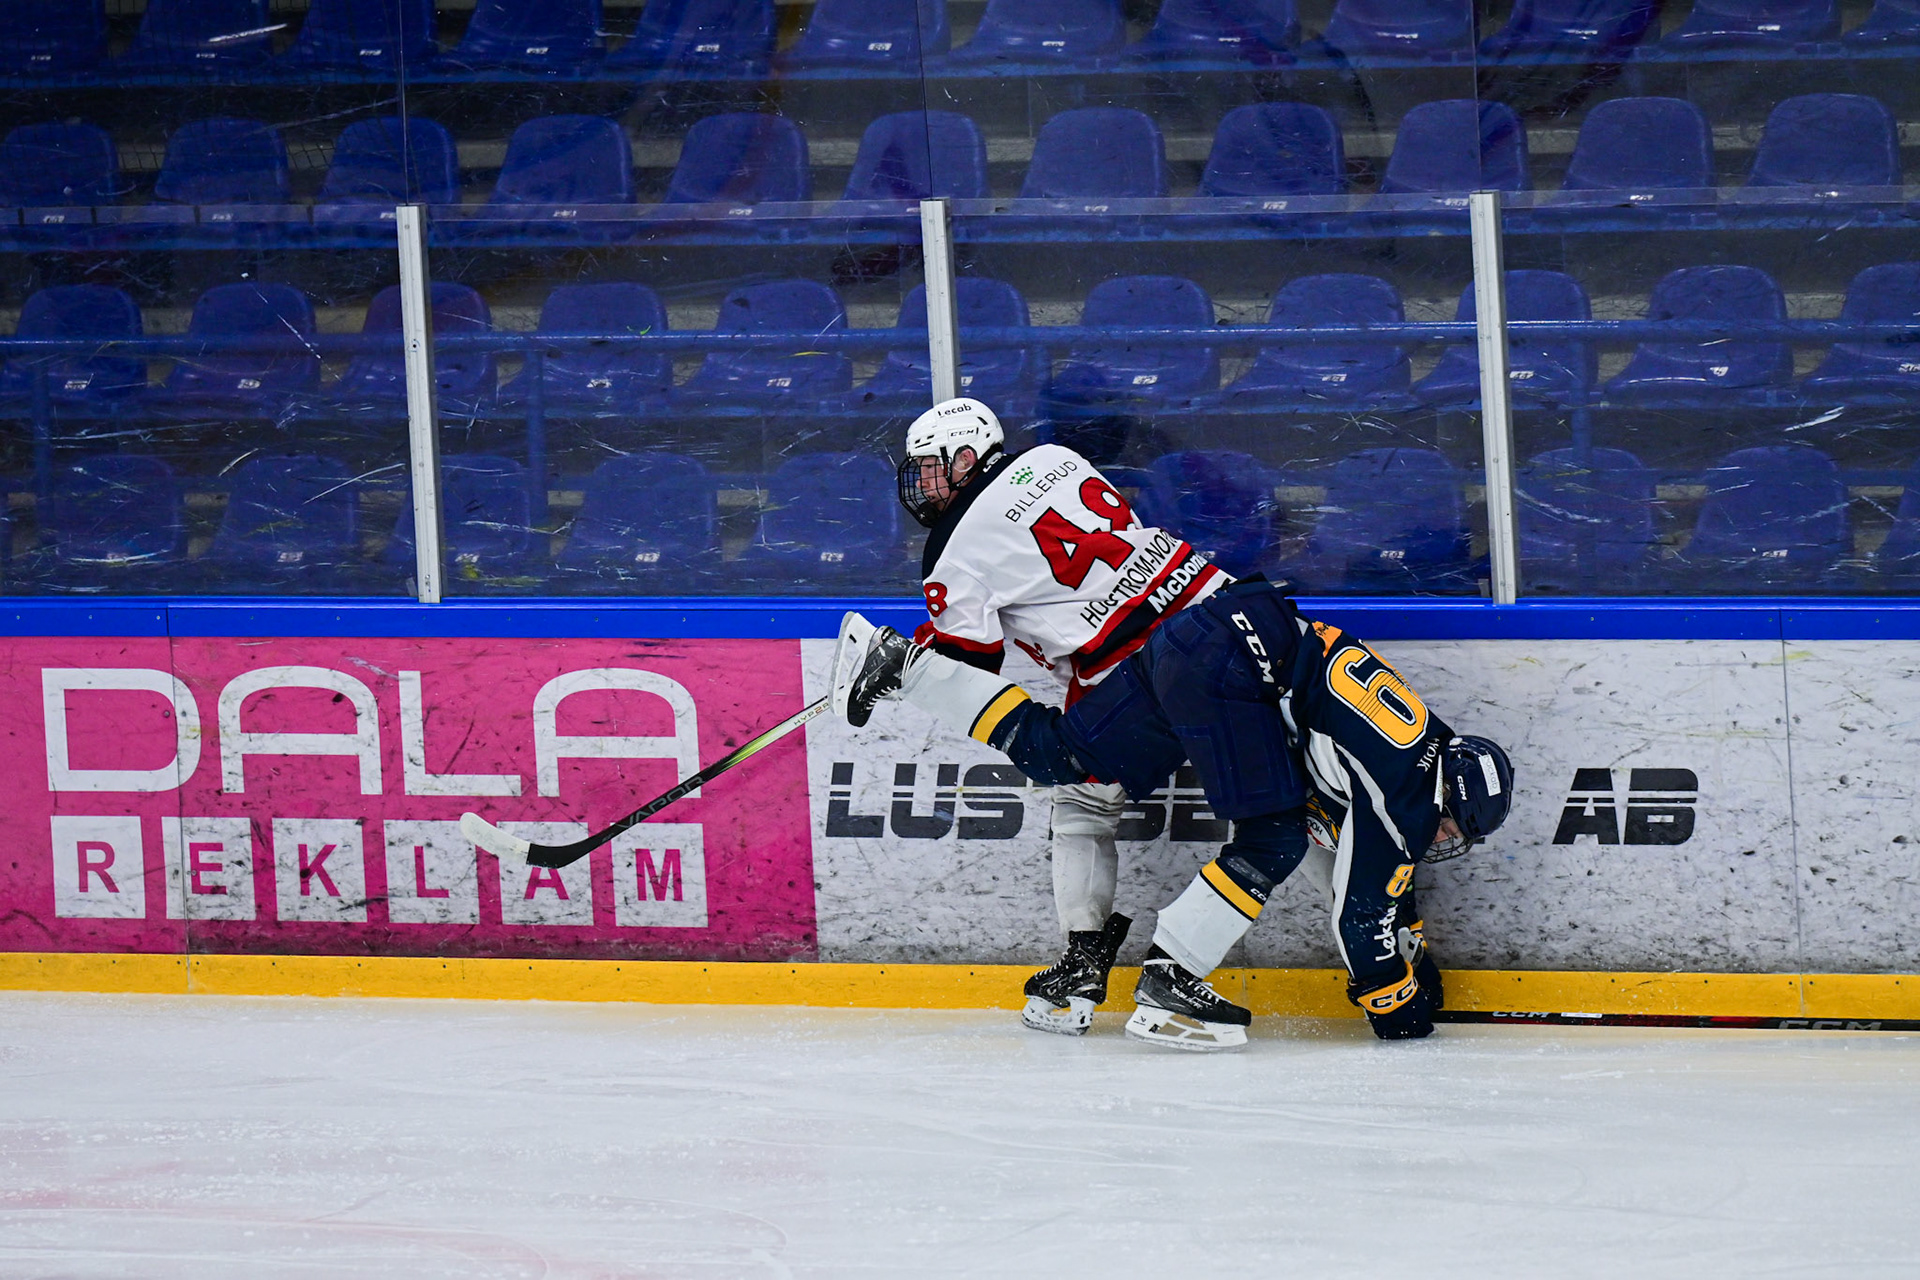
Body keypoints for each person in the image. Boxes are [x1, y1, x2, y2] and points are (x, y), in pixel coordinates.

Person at [831, 576, 1513, 1049]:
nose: (1441, 836)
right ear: (1446, 797)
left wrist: (1410, 942)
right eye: (1452, 825)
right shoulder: (1407, 797)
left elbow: (1369, 868)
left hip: (1199, 631)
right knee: (1273, 836)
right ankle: (1172, 978)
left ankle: (904, 666)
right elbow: (1360, 914)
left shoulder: (1424, 742)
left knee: (1065, 754)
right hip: (1236, 671)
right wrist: (1400, 1012)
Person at [884, 396, 1231, 1035]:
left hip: (1132, 674)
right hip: (1219, 615)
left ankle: (1083, 961)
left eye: (932, 467)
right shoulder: (1056, 457)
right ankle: (1383, 951)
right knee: (1288, 800)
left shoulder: (951, 547)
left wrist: (911, 663)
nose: (924, 485)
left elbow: (971, 663)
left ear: (966, 457)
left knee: (1080, 805)